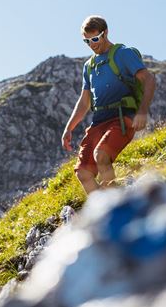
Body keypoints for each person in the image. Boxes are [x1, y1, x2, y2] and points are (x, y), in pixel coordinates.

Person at [62, 15, 156, 194]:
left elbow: (149, 80)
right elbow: (84, 102)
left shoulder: (123, 53)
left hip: (122, 117)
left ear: (105, 33)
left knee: (101, 155)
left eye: (95, 39)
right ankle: (105, 208)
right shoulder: (88, 66)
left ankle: (116, 206)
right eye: (87, 41)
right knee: (83, 173)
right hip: (98, 121)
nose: (92, 44)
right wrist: (69, 128)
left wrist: (142, 111)